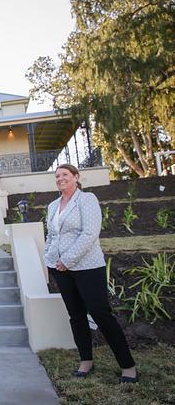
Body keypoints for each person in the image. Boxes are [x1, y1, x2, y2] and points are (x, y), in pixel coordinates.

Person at [44, 164, 138, 383]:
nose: (60, 178)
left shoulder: (87, 200)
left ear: (76, 177)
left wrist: (67, 260)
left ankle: (128, 366)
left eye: (65, 174)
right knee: (76, 316)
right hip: (60, 270)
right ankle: (86, 361)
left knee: (101, 314)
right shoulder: (53, 205)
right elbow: (51, 235)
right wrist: (48, 257)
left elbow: (90, 234)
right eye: (57, 176)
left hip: (87, 267)